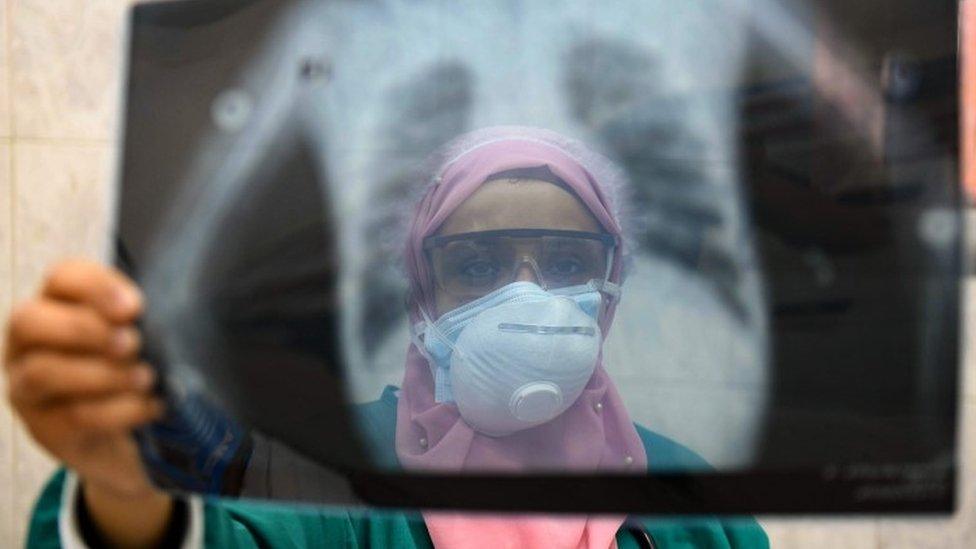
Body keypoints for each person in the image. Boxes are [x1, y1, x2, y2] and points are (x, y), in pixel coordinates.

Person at [6, 126, 768, 548]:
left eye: (568, 262)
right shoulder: (322, 467)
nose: (527, 296)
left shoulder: (692, 502)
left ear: (609, 294)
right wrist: (123, 490)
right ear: (422, 297)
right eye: (476, 265)